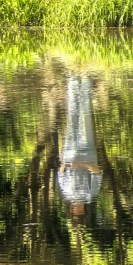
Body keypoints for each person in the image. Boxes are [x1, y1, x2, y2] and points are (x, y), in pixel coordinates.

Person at [57, 74, 102, 214]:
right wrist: (81, 165)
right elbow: (97, 172)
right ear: (83, 210)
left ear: (72, 210)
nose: (78, 209)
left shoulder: (66, 192)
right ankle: (85, 82)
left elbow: (60, 173)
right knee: (85, 116)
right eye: (81, 211)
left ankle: (72, 82)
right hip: (87, 152)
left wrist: (65, 165)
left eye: (76, 212)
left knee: (72, 117)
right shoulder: (91, 195)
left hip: (69, 152)